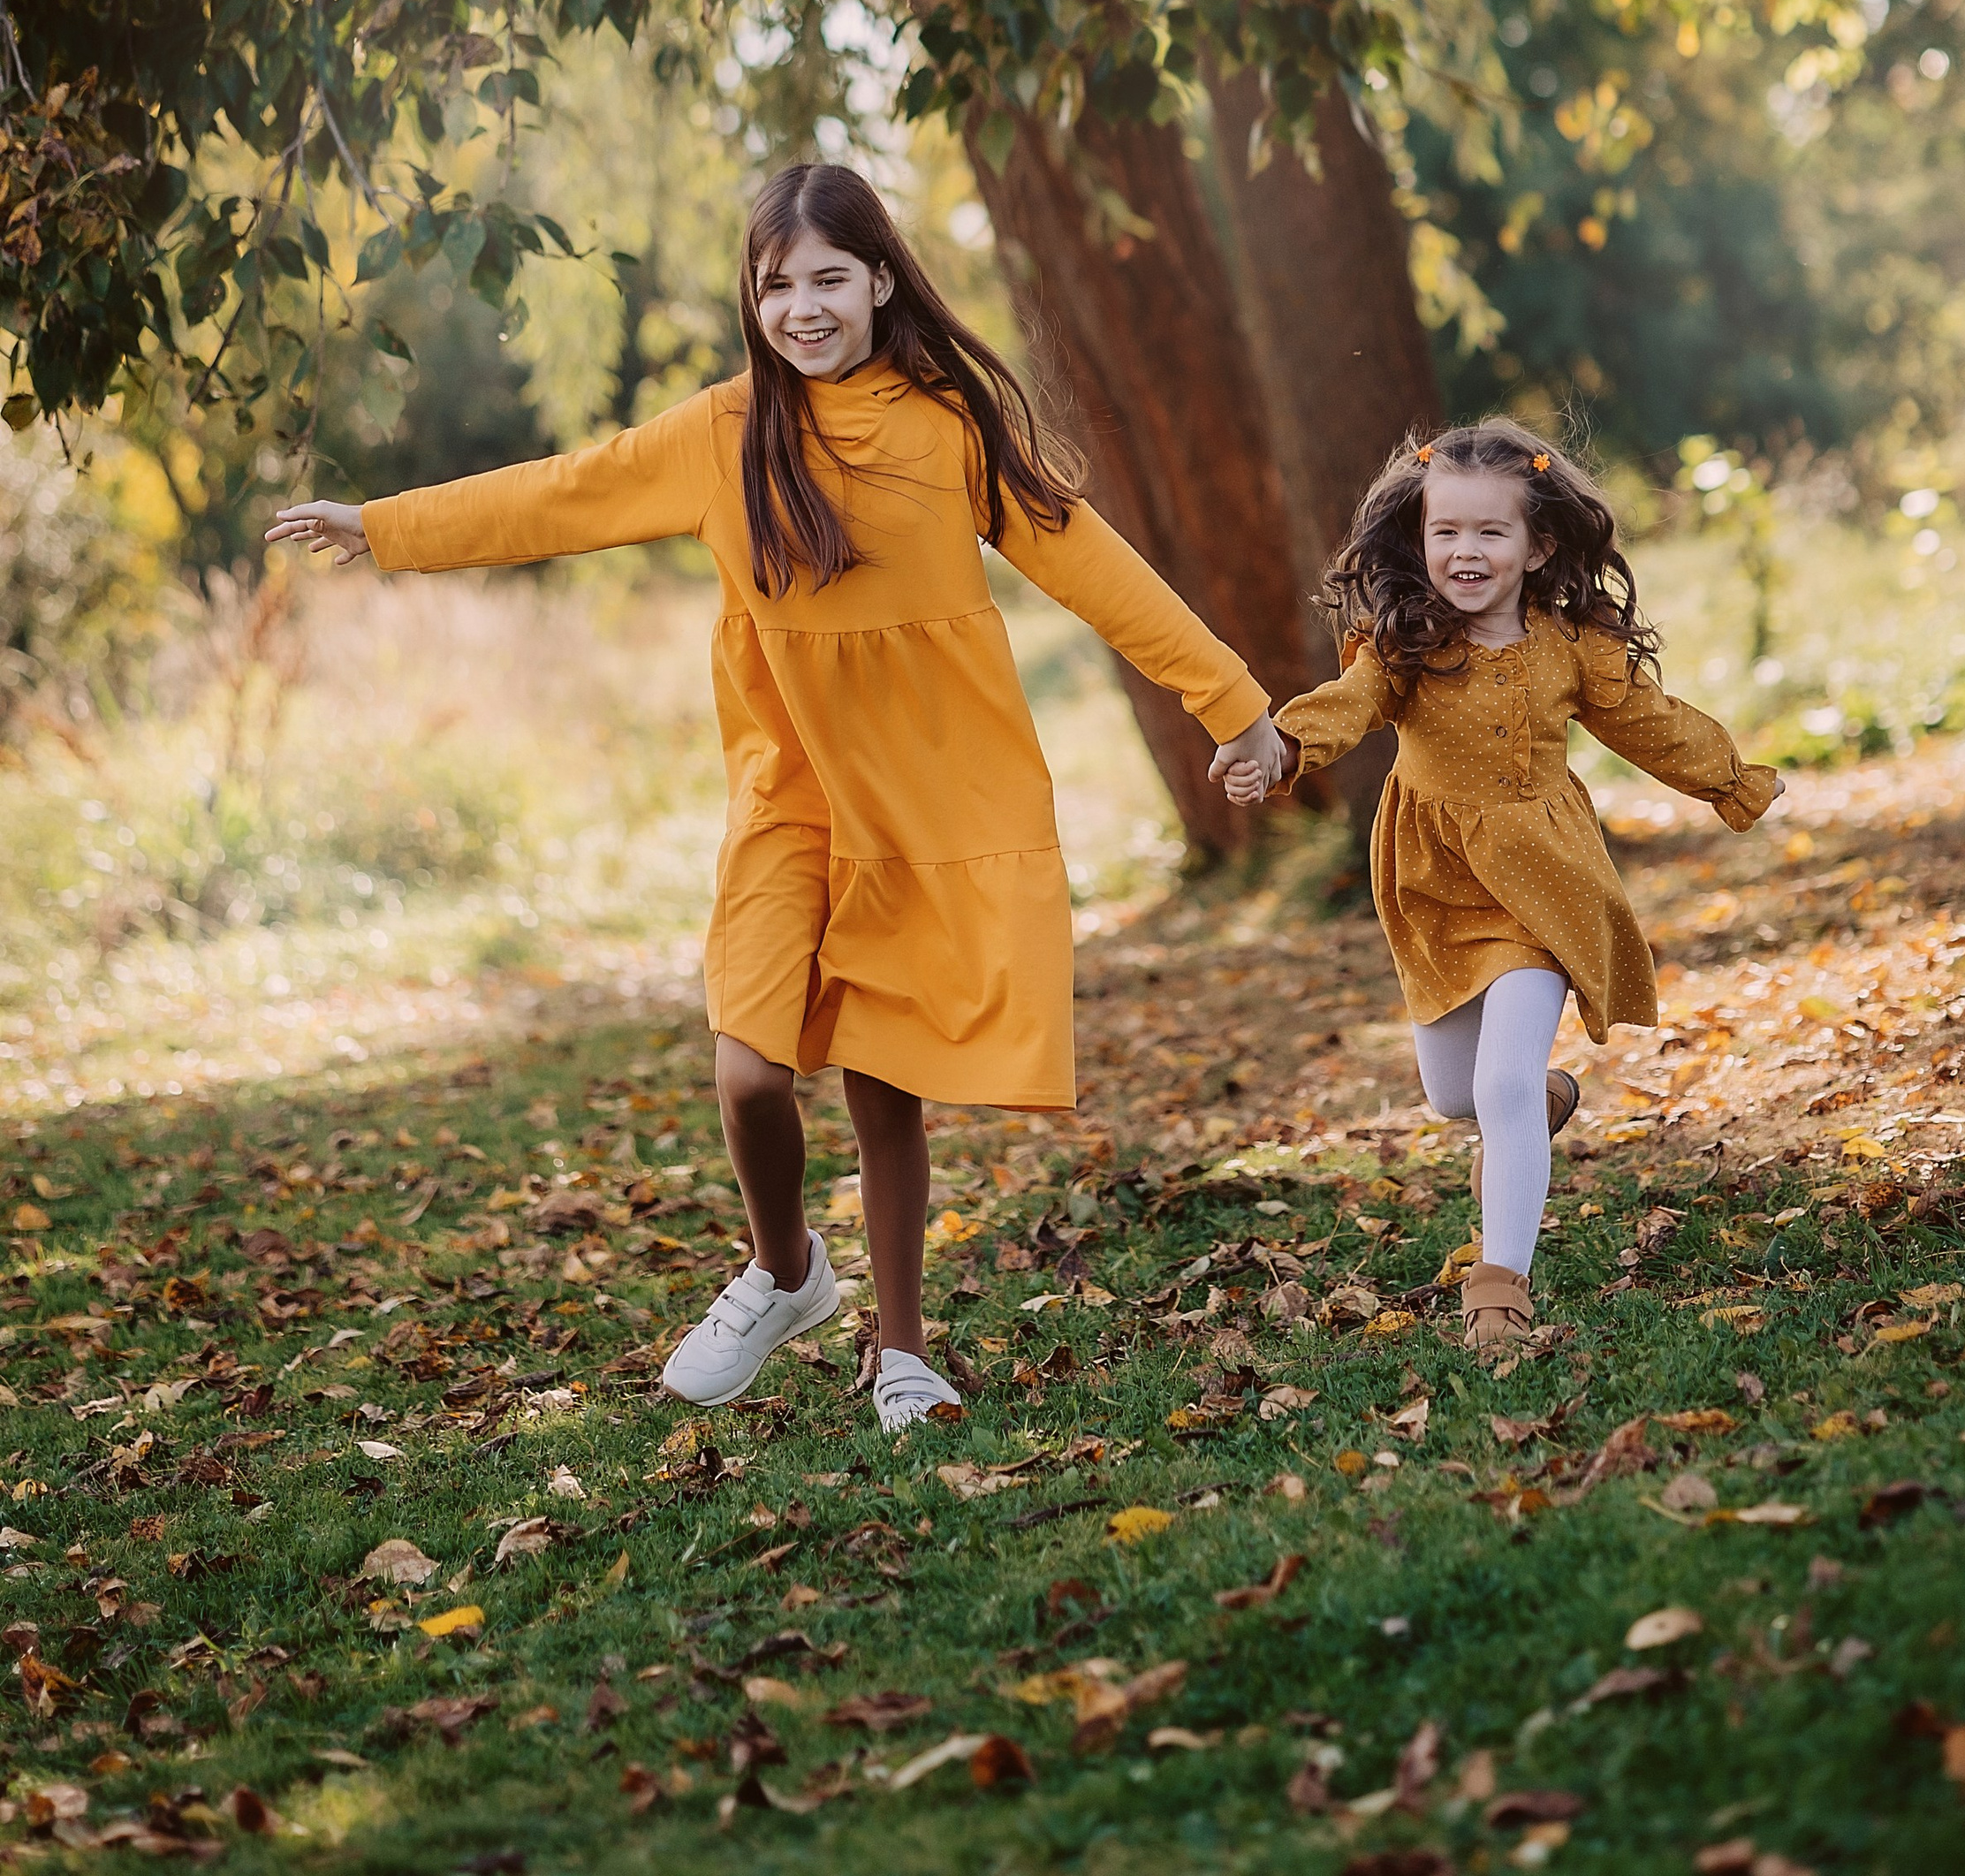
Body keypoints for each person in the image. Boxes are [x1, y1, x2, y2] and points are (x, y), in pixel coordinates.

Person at [266, 160, 1288, 1433]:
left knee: (884, 1082)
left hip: (925, 800)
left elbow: (1095, 565)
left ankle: (903, 1352)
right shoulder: (723, 432)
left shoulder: (952, 427)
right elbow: (564, 492)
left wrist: (1230, 700)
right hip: (791, 794)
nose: (803, 308)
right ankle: (789, 1269)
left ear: (880, 282)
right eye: (776, 285)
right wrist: (386, 526)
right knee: (750, 1071)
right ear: (752, 299)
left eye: (828, 280)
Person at [1213, 419, 1776, 1360]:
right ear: (1419, 536)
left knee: (1500, 1083)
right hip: (1434, 886)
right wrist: (1278, 749)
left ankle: (1499, 1291)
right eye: (1446, 531)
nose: (1465, 552)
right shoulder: (1402, 644)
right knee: (1454, 1096)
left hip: (1544, 883)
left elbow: (1648, 722)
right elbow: (1348, 707)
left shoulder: (1569, 647)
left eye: (1490, 532)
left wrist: (1730, 779)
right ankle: (1539, 1101)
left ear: (1537, 545)